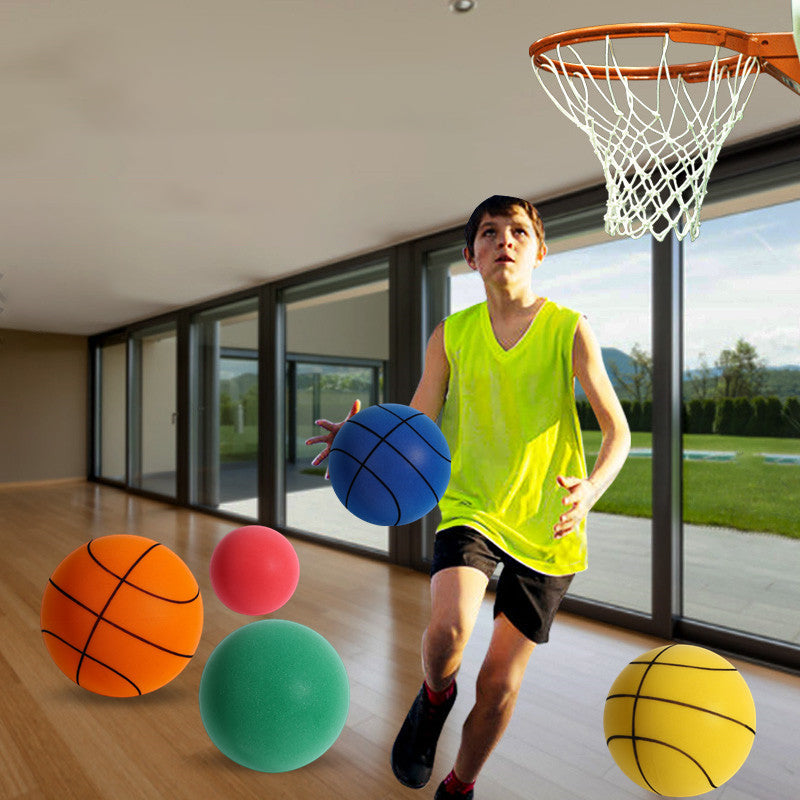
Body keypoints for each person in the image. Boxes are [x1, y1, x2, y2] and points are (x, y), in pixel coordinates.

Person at [306, 195, 631, 799]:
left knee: (499, 685)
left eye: (516, 231)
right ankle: (434, 698)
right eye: (488, 232)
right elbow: (417, 420)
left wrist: (590, 490)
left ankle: (460, 785)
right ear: (470, 256)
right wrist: (360, 441)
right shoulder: (452, 335)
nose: (503, 240)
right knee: (448, 631)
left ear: (539, 250)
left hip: (547, 521)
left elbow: (618, 430)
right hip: (470, 506)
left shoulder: (569, 329)